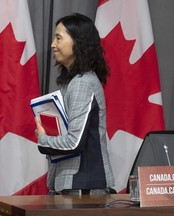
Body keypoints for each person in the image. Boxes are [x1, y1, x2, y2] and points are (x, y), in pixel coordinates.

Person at [35, 13, 115, 195]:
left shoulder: (81, 83)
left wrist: (43, 139)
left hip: (83, 187)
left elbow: (74, 142)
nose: (53, 45)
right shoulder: (74, 82)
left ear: (78, 42)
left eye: (58, 38)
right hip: (75, 185)